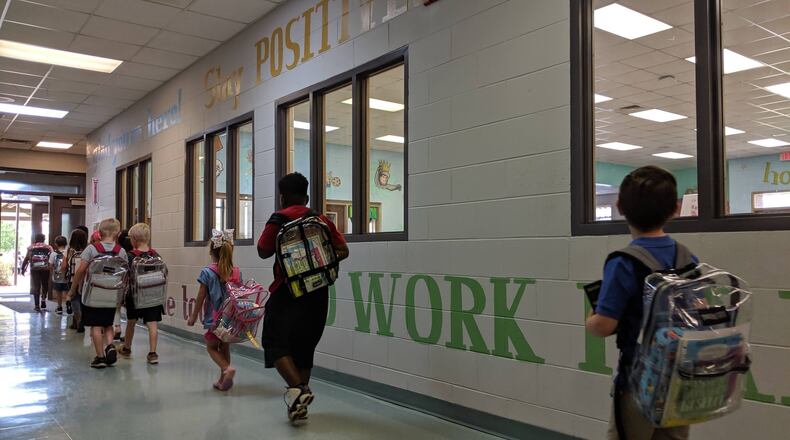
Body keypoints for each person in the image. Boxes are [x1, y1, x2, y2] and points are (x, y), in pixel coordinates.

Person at [585, 166, 695, 440]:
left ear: (620, 207)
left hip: (640, 380)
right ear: (675, 209)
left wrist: (591, 318)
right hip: (680, 377)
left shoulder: (624, 262)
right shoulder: (687, 258)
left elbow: (603, 325)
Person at [257, 172, 349, 422]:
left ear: (282, 197)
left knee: (274, 343)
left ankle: (300, 390)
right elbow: (343, 250)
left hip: (287, 292)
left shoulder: (278, 219)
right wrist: (316, 261)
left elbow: (263, 251)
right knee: (304, 348)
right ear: (306, 197)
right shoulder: (320, 219)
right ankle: (299, 407)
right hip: (318, 293)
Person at [66, 218, 127, 369]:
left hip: (93, 294)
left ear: (99, 233)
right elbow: (125, 274)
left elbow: (80, 270)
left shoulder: (91, 249)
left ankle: (100, 357)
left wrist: (73, 290)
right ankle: (110, 345)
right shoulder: (121, 251)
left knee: (95, 326)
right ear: (117, 233)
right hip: (112, 293)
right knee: (108, 324)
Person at [187, 229, 241, 391]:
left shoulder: (207, 272)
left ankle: (227, 369)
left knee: (211, 347)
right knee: (224, 347)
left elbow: (200, 297)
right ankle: (223, 380)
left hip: (215, 318)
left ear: (211, 252)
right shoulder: (236, 272)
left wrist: (193, 316)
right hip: (231, 318)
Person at [118, 223, 163, 365]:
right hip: (153, 295)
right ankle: (153, 353)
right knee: (152, 324)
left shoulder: (130, 256)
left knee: (131, 322)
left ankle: (127, 348)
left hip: (134, 296)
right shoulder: (156, 256)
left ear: (134, 240)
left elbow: (124, 276)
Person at [63, 228, 88, 333]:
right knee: (82, 299)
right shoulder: (88, 250)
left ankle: (78, 320)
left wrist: (64, 274)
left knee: (74, 299)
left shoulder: (69, 251)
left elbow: (63, 266)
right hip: (85, 279)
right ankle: (78, 321)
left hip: (72, 279)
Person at [21, 233, 52, 312]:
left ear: (35, 239)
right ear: (44, 239)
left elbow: (27, 258)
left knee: (36, 286)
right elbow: (52, 257)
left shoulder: (31, 247)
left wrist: (23, 268)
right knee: (45, 284)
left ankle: (37, 306)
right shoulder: (48, 247)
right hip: (45, 268)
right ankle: (43, 299)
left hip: (35, 269)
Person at [49, 236, 69, 315]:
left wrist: (52, 273)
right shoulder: (68, 253)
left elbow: (50, 265)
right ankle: (68, 306)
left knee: (58, 292)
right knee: (67, 292)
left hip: (57, 276)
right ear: (66, 243)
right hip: (67, 276)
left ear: (56, 244)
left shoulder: (53, 254)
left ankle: (59, 307)